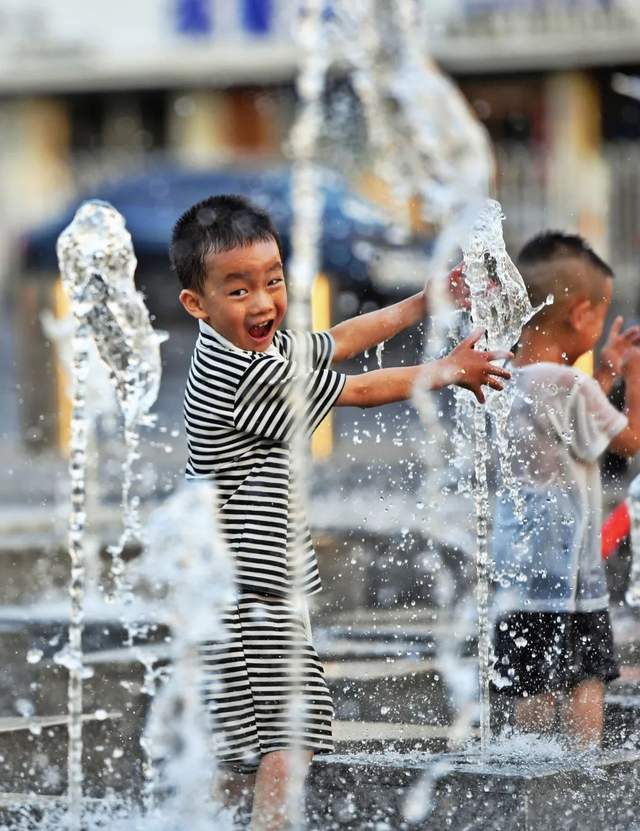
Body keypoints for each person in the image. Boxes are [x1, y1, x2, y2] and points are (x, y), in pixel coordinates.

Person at [171, 193, 510, 830]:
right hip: (254, 593)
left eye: (272, 281)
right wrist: (447, 370)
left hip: (229, 586)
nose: (263, 302)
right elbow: (357, 390)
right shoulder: (245, 374)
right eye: (239, 290)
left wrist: (421, 303)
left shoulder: (244, 349)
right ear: (197, 303)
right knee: (292, 731)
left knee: (243, 746)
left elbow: (336, 342)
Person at [490, 231, 640, 747]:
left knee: (528, 674)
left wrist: (605, 371)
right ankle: (582, 763)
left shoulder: (504, 375)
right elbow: (629, 440)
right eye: (601, 318)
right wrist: (633, 381)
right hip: (570, 566)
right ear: (580, 315)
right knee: (585, 672)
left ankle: (528, 760)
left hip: (517, 562)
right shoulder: (571, 384)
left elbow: (571, 428)